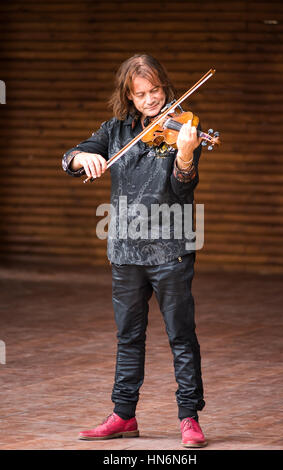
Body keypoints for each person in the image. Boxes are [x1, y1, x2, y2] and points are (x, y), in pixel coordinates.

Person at [62, 54, 206, 448]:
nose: (149, 100)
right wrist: (82, 157)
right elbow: (70, 158)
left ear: (166, 88)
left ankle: (189, 418)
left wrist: (187, 155)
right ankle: (124, 415)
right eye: (140, 94)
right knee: (128, 336)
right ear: (129, 95)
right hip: (125, 251)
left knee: (181, 335)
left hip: (170, 250)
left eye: (155, 90)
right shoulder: (115, 130)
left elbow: (181, 190)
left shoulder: (183, 129)